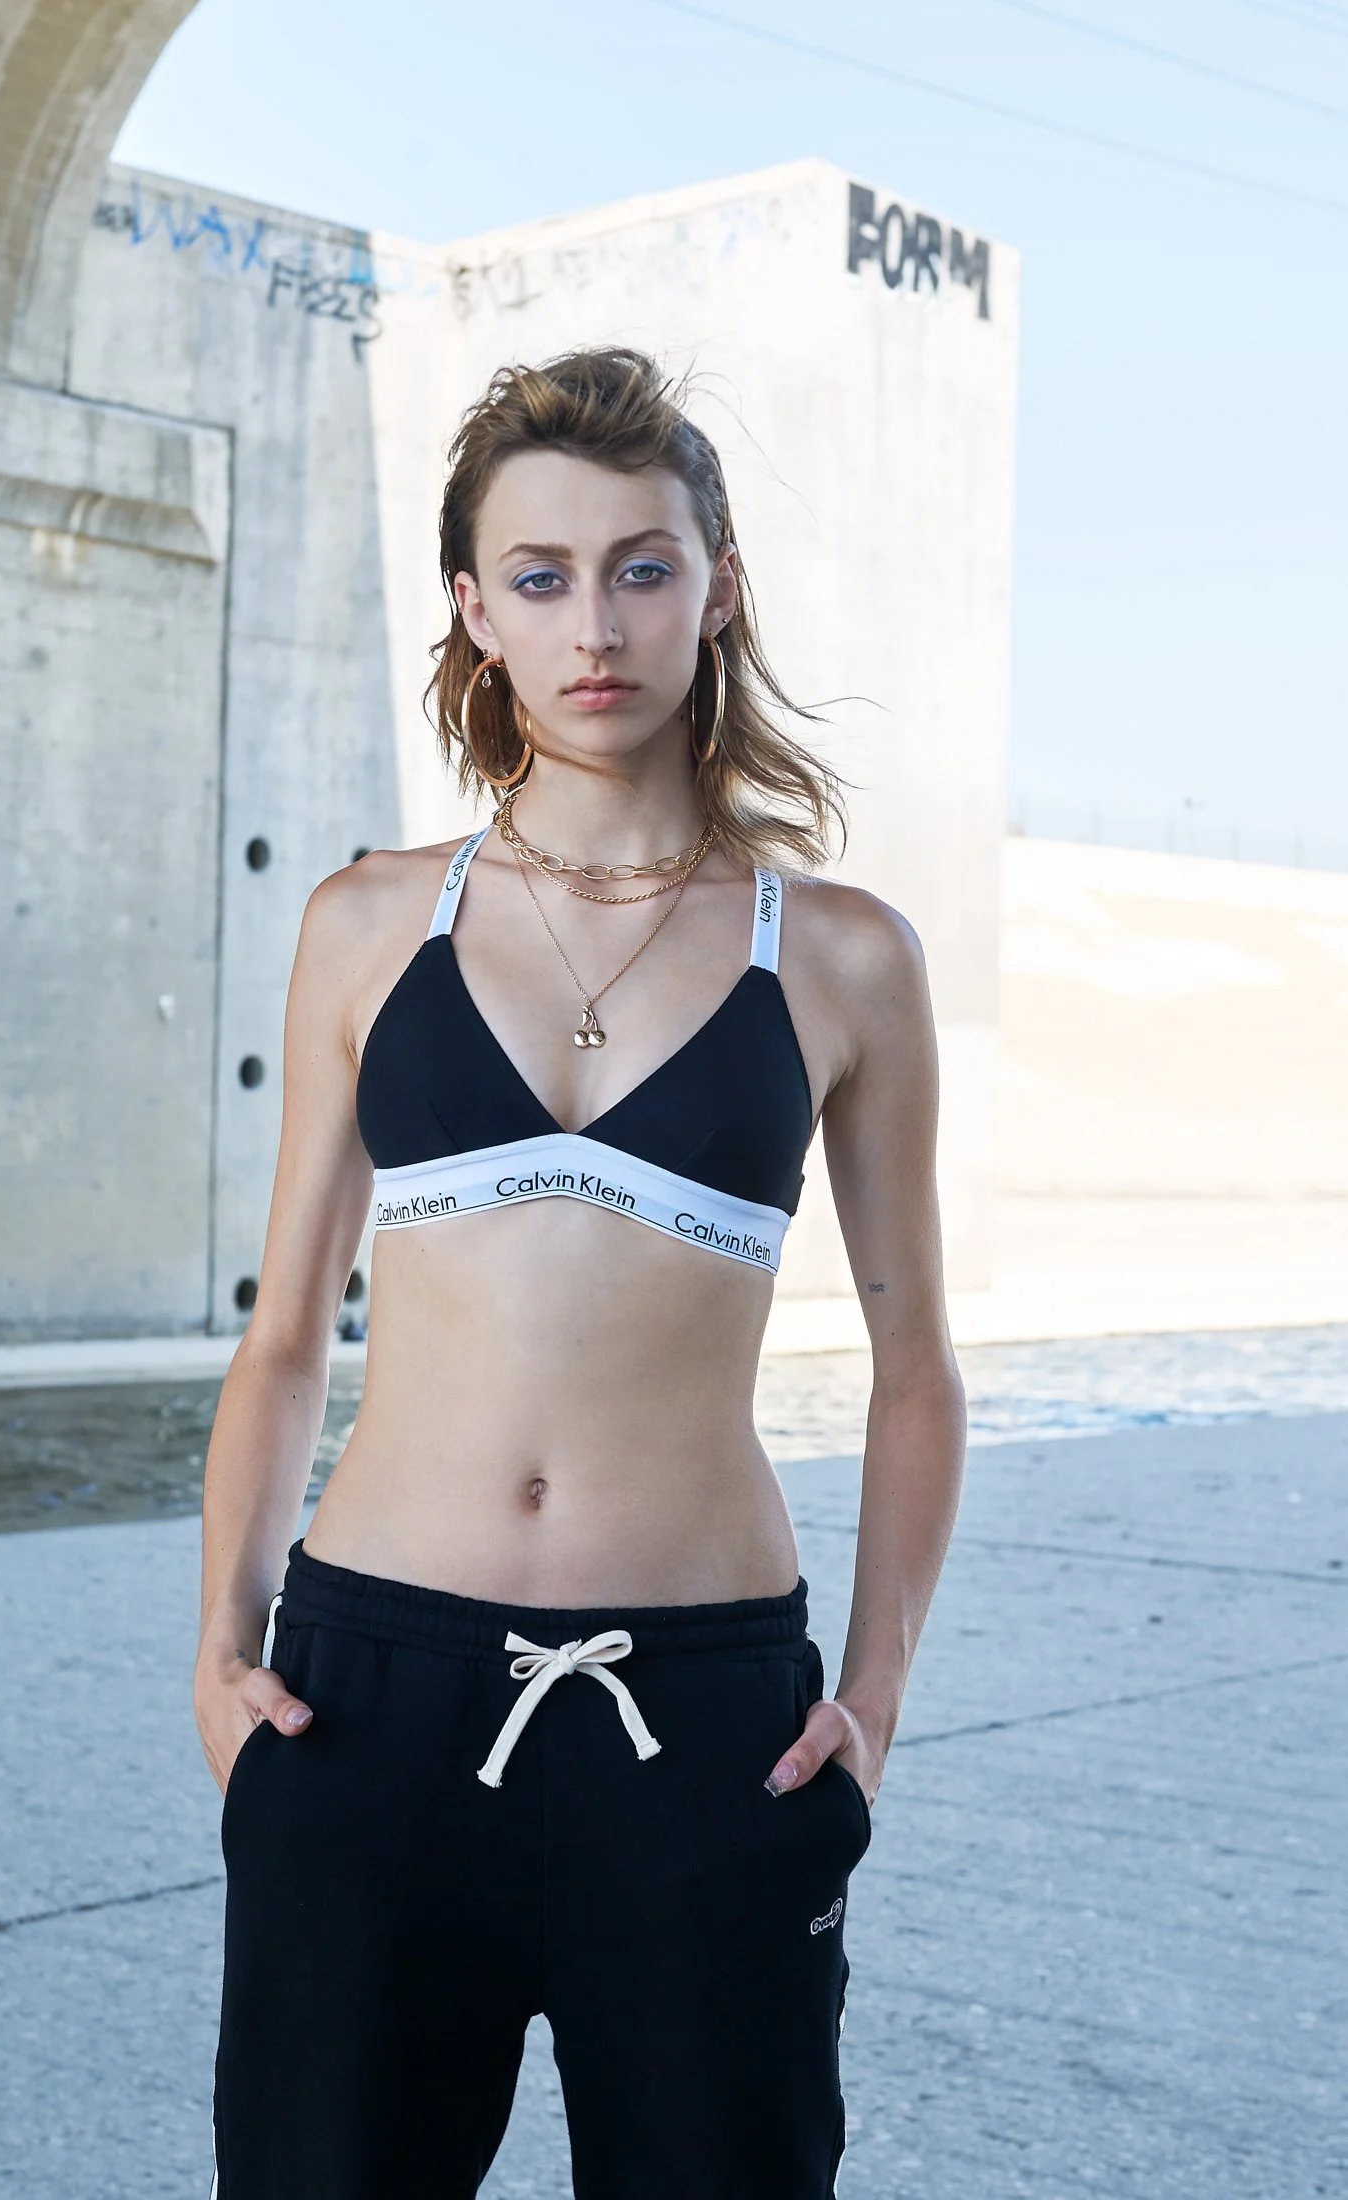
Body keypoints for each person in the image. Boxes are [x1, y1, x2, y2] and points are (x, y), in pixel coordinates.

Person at [196, 345, 967, 2199]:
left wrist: (868, 1707)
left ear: (714, 588)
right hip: (369, 1704)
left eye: (642, 565)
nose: (594, 621)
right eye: (537, 575)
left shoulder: (843, 955)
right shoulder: (373, 921)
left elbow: (917, 1364)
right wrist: (218, 1662)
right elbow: (287, 1330)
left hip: (708, 1732)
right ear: (474, 607)